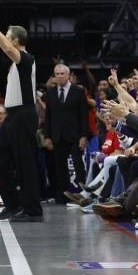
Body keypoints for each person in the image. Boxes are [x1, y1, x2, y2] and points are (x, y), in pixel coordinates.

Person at [0, 6, 43, 222]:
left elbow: (6, 48)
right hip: (12, 115)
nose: (5, 40)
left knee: (25, 163)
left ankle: (33, 210)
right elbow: (6, 48)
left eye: (8, 37)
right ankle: (14, 204)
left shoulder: (26, 59)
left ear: (15, 41)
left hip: (24, 115)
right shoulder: (16, 64)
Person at [43, 63, 90, 204]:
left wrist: (84, 135)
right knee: (59, 167)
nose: (59, 76)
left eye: (62, 73)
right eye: (56, 74)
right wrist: (47, 136)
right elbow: (48, 116)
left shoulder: (78, 91)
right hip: (57, 135)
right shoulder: (50, 93)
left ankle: (83, 195)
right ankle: (63, 195)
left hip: (75, 135)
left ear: (68, 75)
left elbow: (84, 115)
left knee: (78, 166)